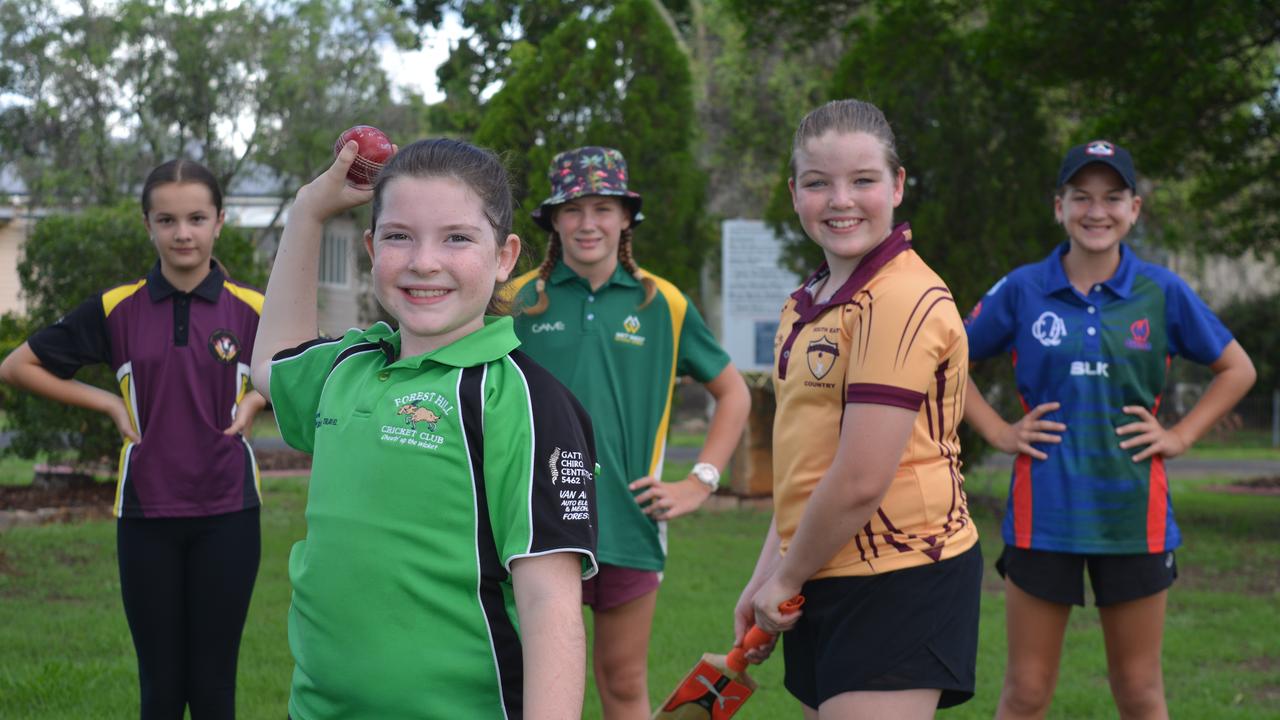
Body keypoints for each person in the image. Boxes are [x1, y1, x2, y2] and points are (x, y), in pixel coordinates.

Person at [251, 137, 599, 720]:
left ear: (505, 256)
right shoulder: (348, 366)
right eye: (398, 236)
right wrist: (308, 210)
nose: (423, 262)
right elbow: (272, 363)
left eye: (457, 237)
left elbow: (550, 608)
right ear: (371, 247)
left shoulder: (520, 399)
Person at [963, 140, 1256, 719]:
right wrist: (998, 430)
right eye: (1082, 197)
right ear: (1059, 207)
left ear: (1134, 210)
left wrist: (1181, 436)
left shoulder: (1162, 291)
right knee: (1024, 694)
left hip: (1133, 517)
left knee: (1141, 694)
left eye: (1112, 198)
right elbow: (942, 363)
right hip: (1044, 514)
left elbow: (1237, 368)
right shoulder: (1023, 288)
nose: (1097, 211)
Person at [732, 99, 982, 720]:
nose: (841, 199)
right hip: (823, 567)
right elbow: (805, 466)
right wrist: (768, 575)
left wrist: (785, 581)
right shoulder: (807, 301)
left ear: (896, 186)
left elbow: (861, 477)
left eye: (863, 180)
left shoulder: (901, 296)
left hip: (902, 574)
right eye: (819, 183)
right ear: (795, 194)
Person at [0, 159, 266, 719]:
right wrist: (105, 401)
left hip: (229, 512)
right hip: (146, 516)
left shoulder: (253, 309)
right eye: (166, 220)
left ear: (220, 221)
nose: (183, 233)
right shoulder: (116, 308)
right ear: (148, 225)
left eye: (196, 217)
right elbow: (18, 365)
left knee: (215, 690)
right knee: (161, 692)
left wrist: (256, 398)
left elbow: (300, 372)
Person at [505, 145, 750, 718]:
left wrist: (701, 482)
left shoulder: (661, 303)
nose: (588, 224)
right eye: (573, 210)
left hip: (628, 525)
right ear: (553, 221)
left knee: (621, 685)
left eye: (603, 208)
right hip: (531, 523)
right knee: (525, 689)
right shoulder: (515, 301)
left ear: (626, 218)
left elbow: (733, 392)